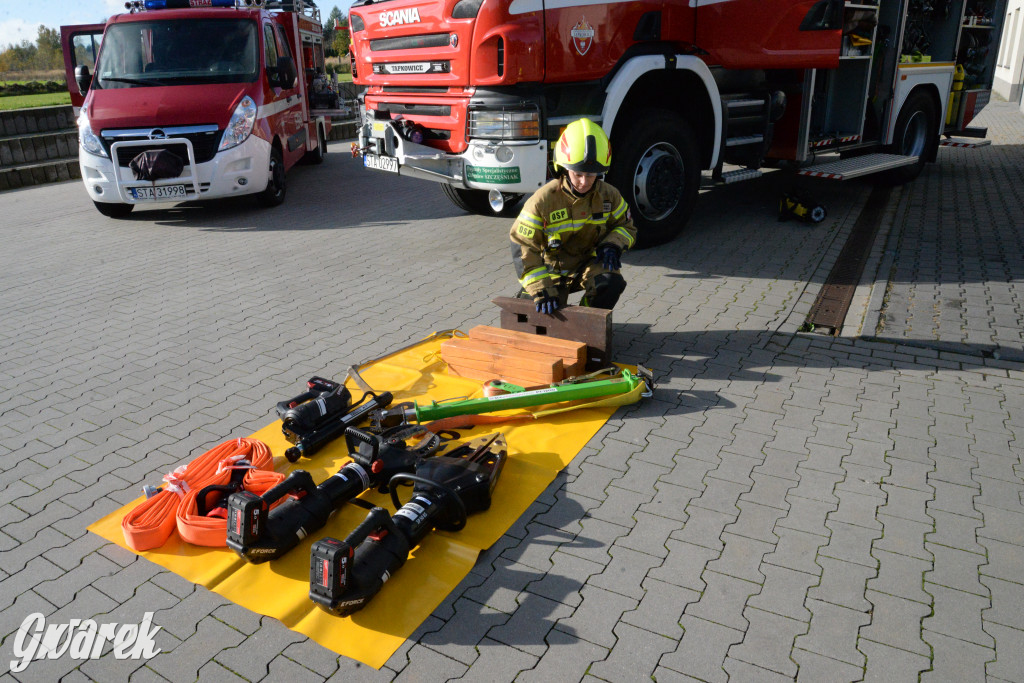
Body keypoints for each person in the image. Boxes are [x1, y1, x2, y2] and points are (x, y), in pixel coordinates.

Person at [510, 118, 636, 314]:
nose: (584, 182)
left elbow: (627, 226)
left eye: (592, 175)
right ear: (564, 167)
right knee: (538, 312)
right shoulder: (542, 200)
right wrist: (539, 288)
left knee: (610, 283)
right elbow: (522, 245)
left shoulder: (609, 195)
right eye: (578, 174)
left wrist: (613, 244)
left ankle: (588, 320)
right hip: (552, 270)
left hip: (588, 265)